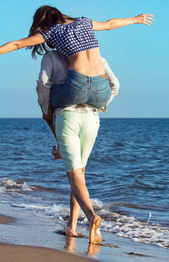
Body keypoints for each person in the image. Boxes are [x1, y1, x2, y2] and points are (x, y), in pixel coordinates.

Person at [0, 5, 152, 111]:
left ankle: (58, 145)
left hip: (77, 87)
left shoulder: (50, 31)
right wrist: (135, 19)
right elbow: (110, 24)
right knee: (107, 90)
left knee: (47, 100)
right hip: (101, 91)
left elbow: (17, 44)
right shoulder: (84, 21)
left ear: (42, 22)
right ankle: (97, 107)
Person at [37, 50, 120, 244]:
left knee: (74, 175)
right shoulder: (96, 58)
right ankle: (71, 226)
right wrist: (100, 105)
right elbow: (115, 85)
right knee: (79, 174)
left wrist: (45, 108)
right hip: (92, 117)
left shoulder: (51, 56)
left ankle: (92, 217)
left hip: (67, 116)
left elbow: (43, 83)